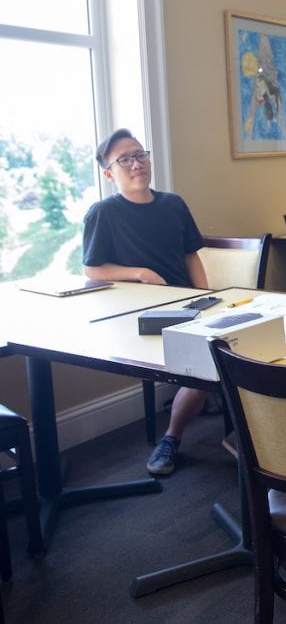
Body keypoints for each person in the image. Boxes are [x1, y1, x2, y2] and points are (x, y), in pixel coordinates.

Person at [83, 128, 213, 476]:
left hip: (186, 307)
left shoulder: (173, 204)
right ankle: (172, 437)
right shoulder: (103, 213)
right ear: (109, 173)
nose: (136, 164)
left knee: (218, 353)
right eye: (124, 159)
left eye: (140, 155)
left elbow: (191, 256)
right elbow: (93, 268)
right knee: (203, 367)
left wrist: (208, 298)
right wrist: (139, 272)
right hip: (136, 314)